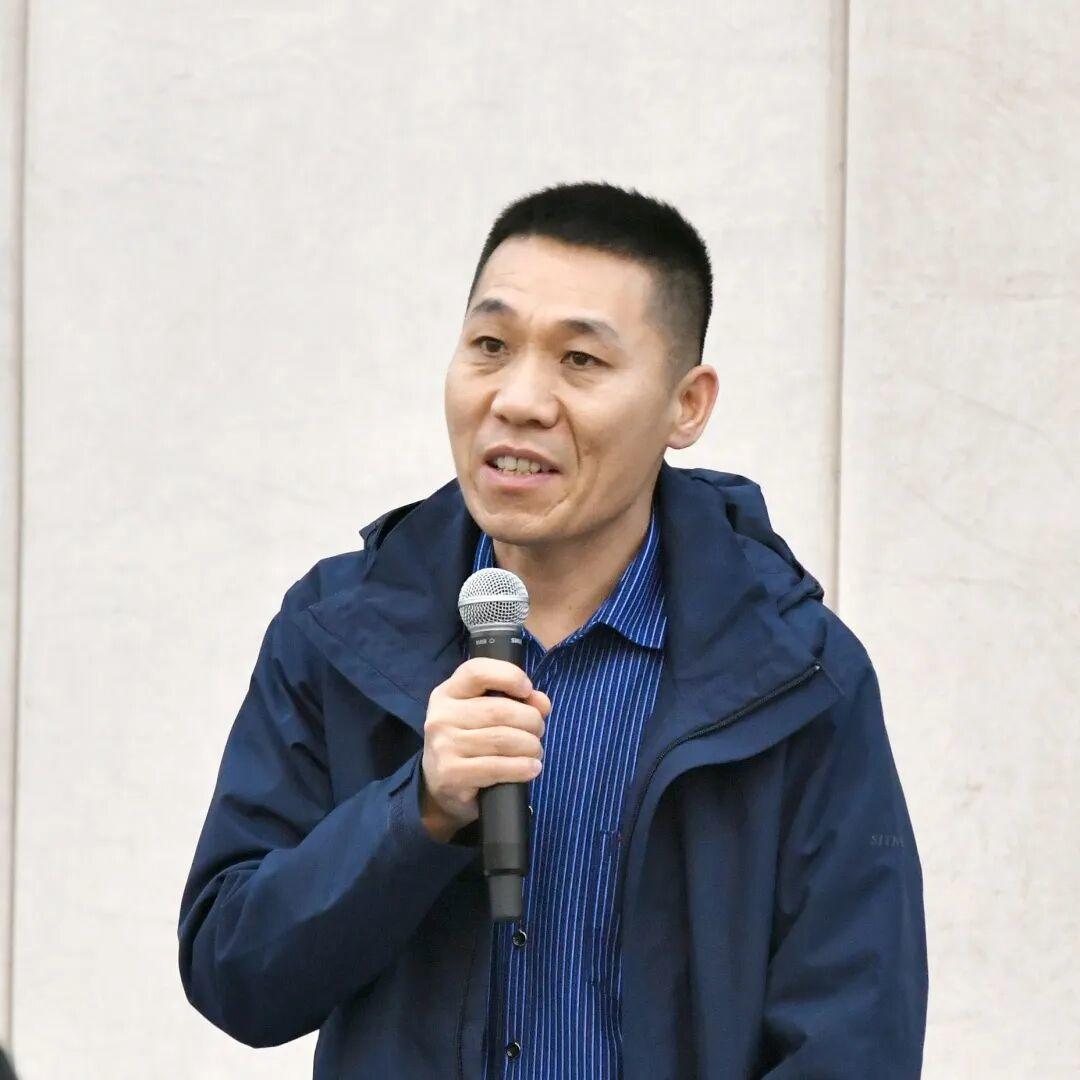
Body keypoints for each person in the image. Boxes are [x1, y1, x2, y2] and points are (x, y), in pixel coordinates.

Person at [178, 181, 928, 1078]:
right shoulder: (339, 630)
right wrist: (416, 812)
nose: (520, 399)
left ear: (686, 405)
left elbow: (854, 1035)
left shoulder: (796, 673)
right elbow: (233, 973)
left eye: (580, 360)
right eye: (490, 347)